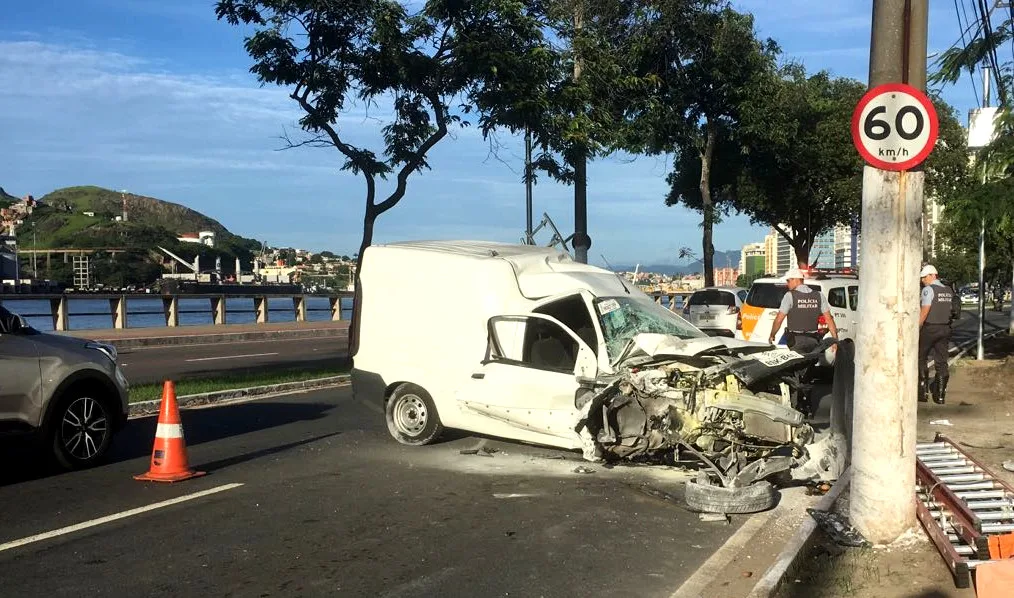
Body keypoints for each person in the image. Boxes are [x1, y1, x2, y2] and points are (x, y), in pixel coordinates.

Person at [768, 268, 839, 416]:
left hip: (796, 340)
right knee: (808, 372)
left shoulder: (790, 296)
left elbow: (779, 318)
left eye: (788, 281)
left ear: (795, 280)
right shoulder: (818, 295)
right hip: (814, 341)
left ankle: (798, 405)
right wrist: (834, 339)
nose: (787, 284)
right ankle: (807, 404)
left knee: (795, 373)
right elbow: (829, 318)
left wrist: (772, 334)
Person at [918, 264, 953, 404]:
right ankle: (940, 396)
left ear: (932, 275)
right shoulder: (948, 290)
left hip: (930, 328)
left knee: (921, 357)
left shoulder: (928, 290)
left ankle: (923, 392)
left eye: (924, 277)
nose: (922, 280)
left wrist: (917, 325)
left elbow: (925, 310)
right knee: (942, 361)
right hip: (945, 329)